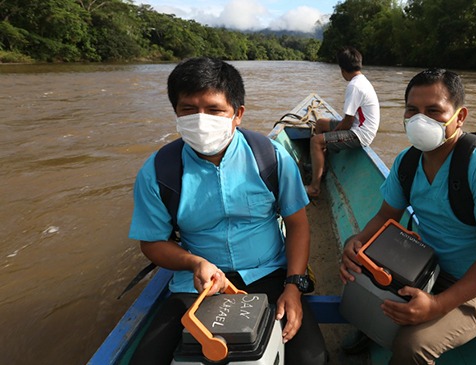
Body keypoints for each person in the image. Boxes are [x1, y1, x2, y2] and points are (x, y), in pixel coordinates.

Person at [128, 57, 327, 365]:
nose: (200, 119)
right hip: (197, 285)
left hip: (270, 274)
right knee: (146, 359)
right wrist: (194, 262)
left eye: (214, 109)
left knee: (311, 358)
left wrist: (294, 285)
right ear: (176, 113)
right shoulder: (158, 172)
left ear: (238, 114)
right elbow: (152, 243)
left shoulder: (270, 158)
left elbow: (297, 224)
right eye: (188, 109)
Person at [339, 68, 476, 364]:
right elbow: (386, 216)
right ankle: (370, 327)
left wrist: (438, 305)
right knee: (361, 274)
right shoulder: (408, 161)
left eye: (434, 111)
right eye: (412, 110)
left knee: (413, 345)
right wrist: (357, 241)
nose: (420, 120)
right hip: (428, 263)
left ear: (460, 116)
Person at [305, 46, 380, 198]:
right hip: (357, 126)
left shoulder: (354, 86)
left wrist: (329, 138)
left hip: (360, 134)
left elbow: (347, 122)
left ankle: (314, 187)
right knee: (320, 124)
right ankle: (321, 166)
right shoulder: (361, 80)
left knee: (316, 142)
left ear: (342, 69)